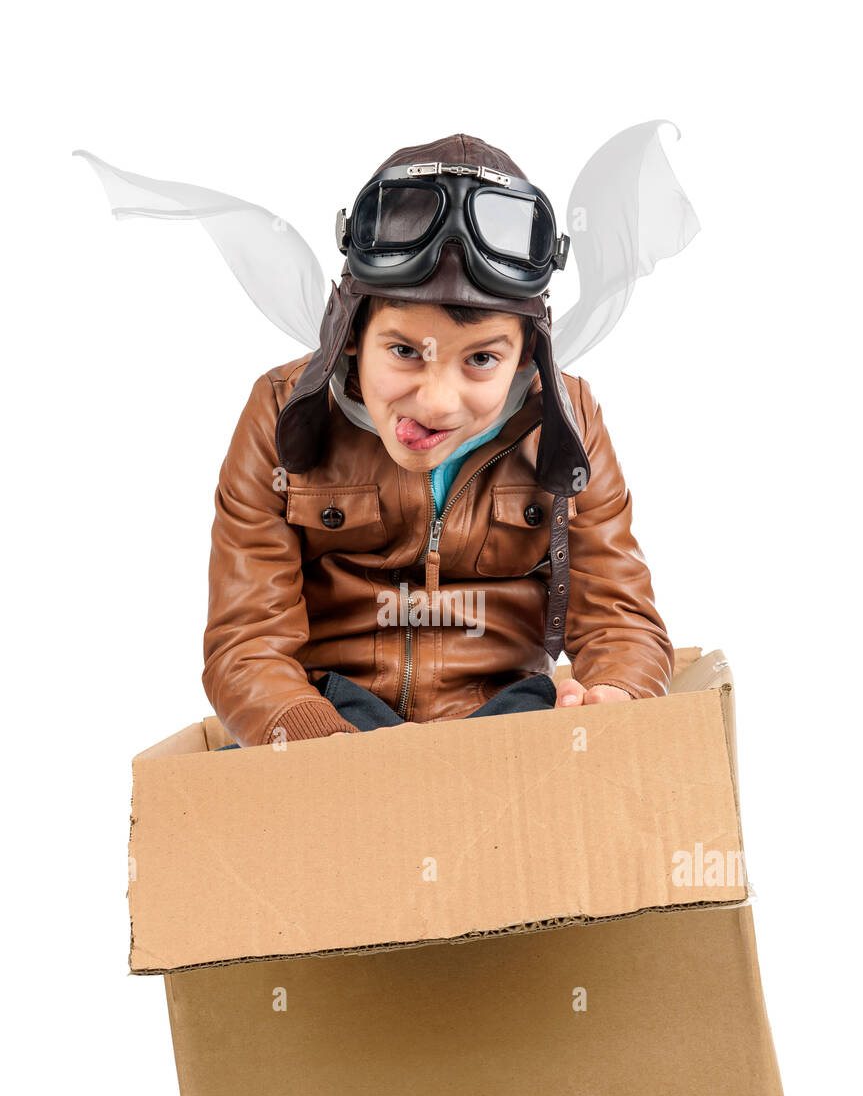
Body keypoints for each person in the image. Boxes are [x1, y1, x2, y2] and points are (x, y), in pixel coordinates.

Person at [201, 133, 675, 745]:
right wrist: (315, 743)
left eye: (480, 358)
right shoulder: (278, 409)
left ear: (527, 353)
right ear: (347, 334)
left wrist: (616, 693)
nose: (435, 402)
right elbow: (246, 641)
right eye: (403, 351)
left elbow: (619, 616)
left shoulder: (571, 418)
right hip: (334, 722)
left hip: (508, 724)